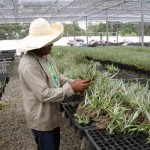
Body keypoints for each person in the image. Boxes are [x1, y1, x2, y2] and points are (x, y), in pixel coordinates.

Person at [17, 18, 90, 150]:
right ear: (37, 44)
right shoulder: (29, 65)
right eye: (48, 41)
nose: (52, 44)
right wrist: (72, 89)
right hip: (41, 118)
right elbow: (43, 94)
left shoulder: (46, 57)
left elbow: (57, 78)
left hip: (51, 113)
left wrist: (75, 82)